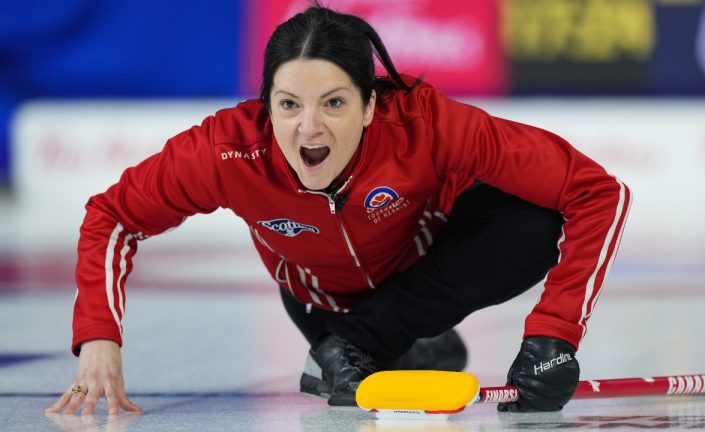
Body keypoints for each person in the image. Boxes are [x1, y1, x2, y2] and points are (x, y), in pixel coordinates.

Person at [46, 4, 631, 415]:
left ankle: (383, 341)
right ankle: (393, 344)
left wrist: (554, 335)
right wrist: (100, 338)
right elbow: (113, 216)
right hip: (321, 305)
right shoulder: (224, 151)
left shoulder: (426, 124)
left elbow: (598, 191)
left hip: (421, 275)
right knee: (412, 358)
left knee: (531, 226)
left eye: (333, 103)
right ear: (265, 105)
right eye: (288, 104)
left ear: (371, 105)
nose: (308, 127)